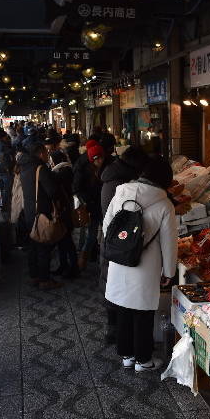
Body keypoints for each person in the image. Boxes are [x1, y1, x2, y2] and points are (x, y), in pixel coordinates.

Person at [104, 156, 177, 372]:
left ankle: (126, 355)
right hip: (146, 265)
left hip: (120, 259)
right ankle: (143, 360)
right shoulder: (164, 204)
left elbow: (107, 225)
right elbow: (169, 242)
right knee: (143, 312)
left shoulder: (120, 193)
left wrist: (120, 246)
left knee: (123, 308)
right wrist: (169, 271)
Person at [99, 147, 150, 344]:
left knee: (111, 283)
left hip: (110, 239)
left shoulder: (112, 176)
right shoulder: (123, 184)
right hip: (118, 241)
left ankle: (114, 329)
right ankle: (116, 332)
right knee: (116, 287)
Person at [20, 142, 62, 289]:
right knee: (43, 245)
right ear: (39, 153)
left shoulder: (24, 167)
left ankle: (34, 276)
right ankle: (45, 280)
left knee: (33, 244)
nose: (47, 154)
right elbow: (52, 191)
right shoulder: (40, 168)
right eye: (45, 152)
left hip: (29, 211)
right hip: (41, 213)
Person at [72, 140, 107, 270]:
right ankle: (83, 258)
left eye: (101, 158)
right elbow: (77, 188)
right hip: (91, 206)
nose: (100, 161)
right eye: (97, 159)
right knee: (91, 234)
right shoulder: (83, 168)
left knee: (106, 231)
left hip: (102, 205)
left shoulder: (105, 166)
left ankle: (104, 259)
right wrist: (87, 202)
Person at [50, 150, 78, 278]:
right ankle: (64, 265)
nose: (50, 162)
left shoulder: (64, 172)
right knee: (62, 239)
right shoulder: (63, 170)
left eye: (51, 160)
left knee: (66, 240)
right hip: (65, 208)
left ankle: (73, 268)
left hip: (65, 210)